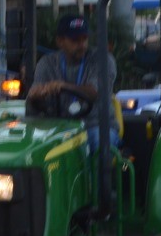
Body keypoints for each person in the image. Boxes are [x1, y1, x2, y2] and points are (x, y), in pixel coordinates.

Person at [28, 13, 118, 152]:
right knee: (36, 148)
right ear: (60, 41)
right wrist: (37, 96)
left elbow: (94, 92)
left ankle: (101, 166)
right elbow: (35, 103)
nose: (82, 45)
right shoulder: (46, 64)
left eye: (84, 39)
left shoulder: (102, 59)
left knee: (99, 143)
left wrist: (64, 86)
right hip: (58, 127)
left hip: (94, 125)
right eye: (75, 40)